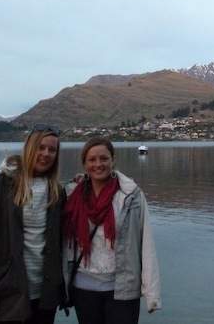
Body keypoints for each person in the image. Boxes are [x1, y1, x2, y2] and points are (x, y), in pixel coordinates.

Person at [0, 126, 65, 324]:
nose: (46, 154)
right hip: (7, 295)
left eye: (52, 150)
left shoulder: (57, 191)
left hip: (45, 295)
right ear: (29, 148)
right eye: (40, 147)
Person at [63, 137, 160, 324]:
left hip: (122, 289)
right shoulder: (71, 195)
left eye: (104, 159)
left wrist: (152, 293)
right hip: (83, 289)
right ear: (84, 164)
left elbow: (146, 243)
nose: (98, 164)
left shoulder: (131, 196)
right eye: (92, 160)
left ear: (112, 160)